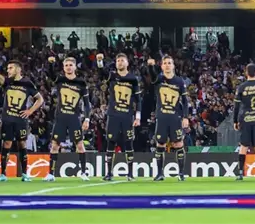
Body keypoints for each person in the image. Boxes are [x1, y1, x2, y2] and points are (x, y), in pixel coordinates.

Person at [0, 60, 44, 182]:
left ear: (18, 69)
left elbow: (40, 99)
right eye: (7, 68)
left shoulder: (27, 83)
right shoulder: (7, 81)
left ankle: (24, 174)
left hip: (20, 120)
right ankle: (3, 174)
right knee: (6, 144)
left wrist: (30, 111)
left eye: (10, 68)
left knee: (22, 144)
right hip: (7, 118)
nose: (8, 70)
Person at [44, 56, 91, 182]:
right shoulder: (60, 79)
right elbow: (50, 74)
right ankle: (51, 174)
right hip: (60, 117)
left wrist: (87, 119)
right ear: (63, 67)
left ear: (75, 67)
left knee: (80, 145)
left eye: (71, 65)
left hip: (74, 118)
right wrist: (50, 64)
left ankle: (83, 172)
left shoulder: (81, 82)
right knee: (54, 145)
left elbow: (87, 104)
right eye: (66, 65)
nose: (68, 67)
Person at [98, 53, 142, 181]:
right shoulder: (112, 76)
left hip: (127, 115)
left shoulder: (133, 79)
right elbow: (102, 72)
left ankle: (130, 174)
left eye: (122, 60)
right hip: (113, 114)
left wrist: (137, 116)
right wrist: (100, 61)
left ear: (127, 63)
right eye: (118, 61)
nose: (120, 63)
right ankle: (109, 173)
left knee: (129, 143)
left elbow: (138, 100)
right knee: (110, 142)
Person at [147, 55, 189, 182]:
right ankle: (160, 174)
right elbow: (153, 77)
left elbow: (185, 101)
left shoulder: (179, 81)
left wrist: (186, 117)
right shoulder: (159, 78)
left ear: (173, 65)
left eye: (169, 63)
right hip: (162, 116)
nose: (167, 65)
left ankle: (181, 173)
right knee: (160, 144)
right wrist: (150, 67)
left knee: (178, 144)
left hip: (175, 117)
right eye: (164, 63)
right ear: (161, 66)